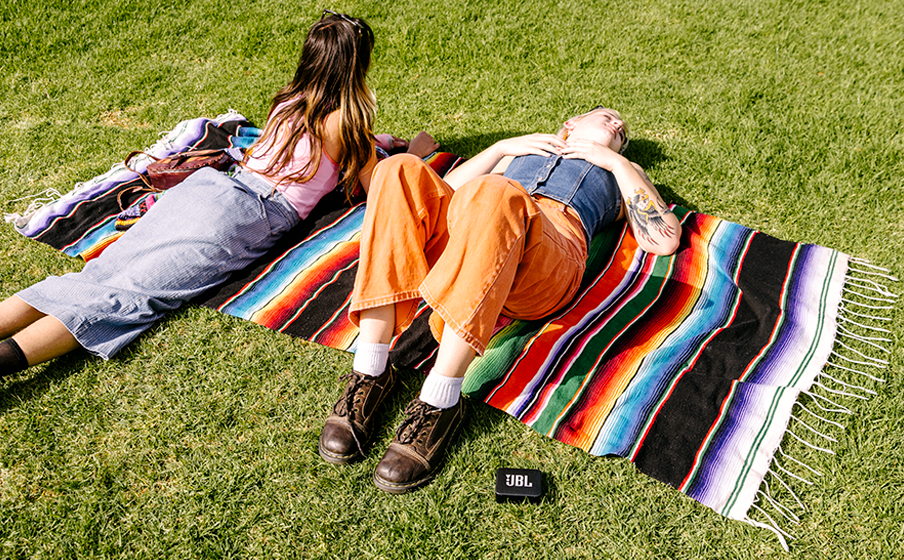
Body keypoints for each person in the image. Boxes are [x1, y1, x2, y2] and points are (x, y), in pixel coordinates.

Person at [0, 11, 437, 377]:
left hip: (211, 190)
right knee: (129, 297)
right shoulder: (346, 122)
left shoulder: (289, 101)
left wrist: (371, 141)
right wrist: (414, 153)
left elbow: (319, 145)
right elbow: (381, 187)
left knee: (98, 274)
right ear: (358, 66)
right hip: (247, 216)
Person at [318, 107, 681, 493]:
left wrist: (615, 160)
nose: (618, 126)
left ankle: (440, 400)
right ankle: (370, 371)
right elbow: (439, 195)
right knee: (397, 170)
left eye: (622, 132)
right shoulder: (524, 149)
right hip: (476, 232)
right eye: (607, 117)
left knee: (497, 191)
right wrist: (500, 149)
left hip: (547, 258)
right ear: (570, 123)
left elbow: (664, 238)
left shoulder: (622, 170)